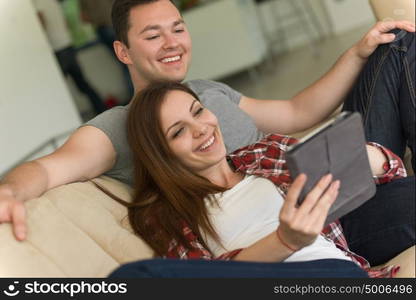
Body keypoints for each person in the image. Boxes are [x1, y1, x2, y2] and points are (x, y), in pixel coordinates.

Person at [0, 0, 414, 268]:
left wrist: (356, 52)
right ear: (123, 51)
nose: (171, 43)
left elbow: (295, 112)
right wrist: (11, 192)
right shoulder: (119, 128)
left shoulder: (208, 93)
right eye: (152, 35)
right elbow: (48, 168)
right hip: (297, 228)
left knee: (394, 45)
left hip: (316, 183)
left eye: (177, 28)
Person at [102, 81, 406, 277]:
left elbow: (393, 171)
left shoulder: (263, 153)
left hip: (338, 271)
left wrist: (360, 155)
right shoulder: (167, 214)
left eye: (198, 111)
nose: (201, 129)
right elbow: (209, 281)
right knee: (133, 278)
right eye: (178, 131)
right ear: (161, 155)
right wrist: (286, 241)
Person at [32, 0, 107, 115]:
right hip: (67, 45)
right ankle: (101, 109)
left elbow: (42, 23)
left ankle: (67, 119)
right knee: (82, 84)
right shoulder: (53, 2)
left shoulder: (37, 4)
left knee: (59, 90)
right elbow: (65, 22)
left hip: (57, 49)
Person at [79, 0, 135, 100]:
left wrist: (97, 18)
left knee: (124, 62)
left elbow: (84, 18)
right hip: (115, 25)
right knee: (129, 60)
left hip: (102, 29)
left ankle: (134, 95)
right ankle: (137, 94)